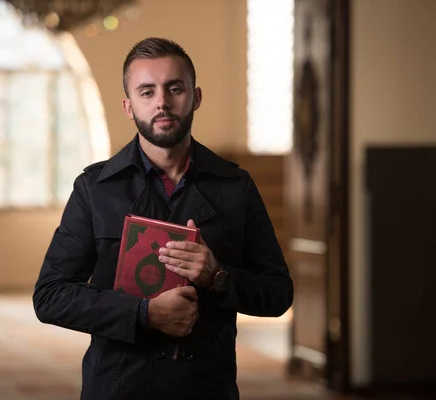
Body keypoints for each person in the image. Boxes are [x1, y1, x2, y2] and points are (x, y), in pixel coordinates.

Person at [33, 37, 294, 400]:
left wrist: (218, 276)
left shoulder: (236, 187)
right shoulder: (95, 188)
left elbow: (279, 294)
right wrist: (144, 313)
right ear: (128, 106)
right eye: (146, 91)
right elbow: (50, 296)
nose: (162, 102)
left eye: (175, 88)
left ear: (195, 96)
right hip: (118, 387)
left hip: (205, 389)